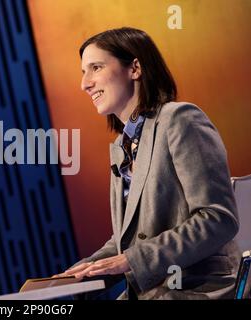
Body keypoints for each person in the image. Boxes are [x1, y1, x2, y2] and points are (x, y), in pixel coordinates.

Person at [60, 27, 241, 299]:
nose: (84, 83)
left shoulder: (180, 119)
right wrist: (83, 271)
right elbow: (132, 239)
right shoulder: (122, 147)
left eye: (95, 68)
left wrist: (132, 260)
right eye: (83, 72)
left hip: (198, 288)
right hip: (153, 291)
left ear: (134, 68)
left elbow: (217, 218)